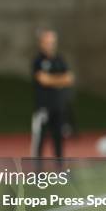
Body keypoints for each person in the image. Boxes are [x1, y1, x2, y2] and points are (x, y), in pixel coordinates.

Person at [31, 29, 74, 158]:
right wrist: (59, 80)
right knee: (40, 140)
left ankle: (59, 170)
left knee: (58, 139)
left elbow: (69, 78)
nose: (50, 45)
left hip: (58, 107)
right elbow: (43, 80)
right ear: (41, 43)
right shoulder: (38, 61)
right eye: (47, 42)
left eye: (52, 42)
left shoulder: (60, 59)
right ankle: (37, 172)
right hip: (43, 107)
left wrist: (52, 79)